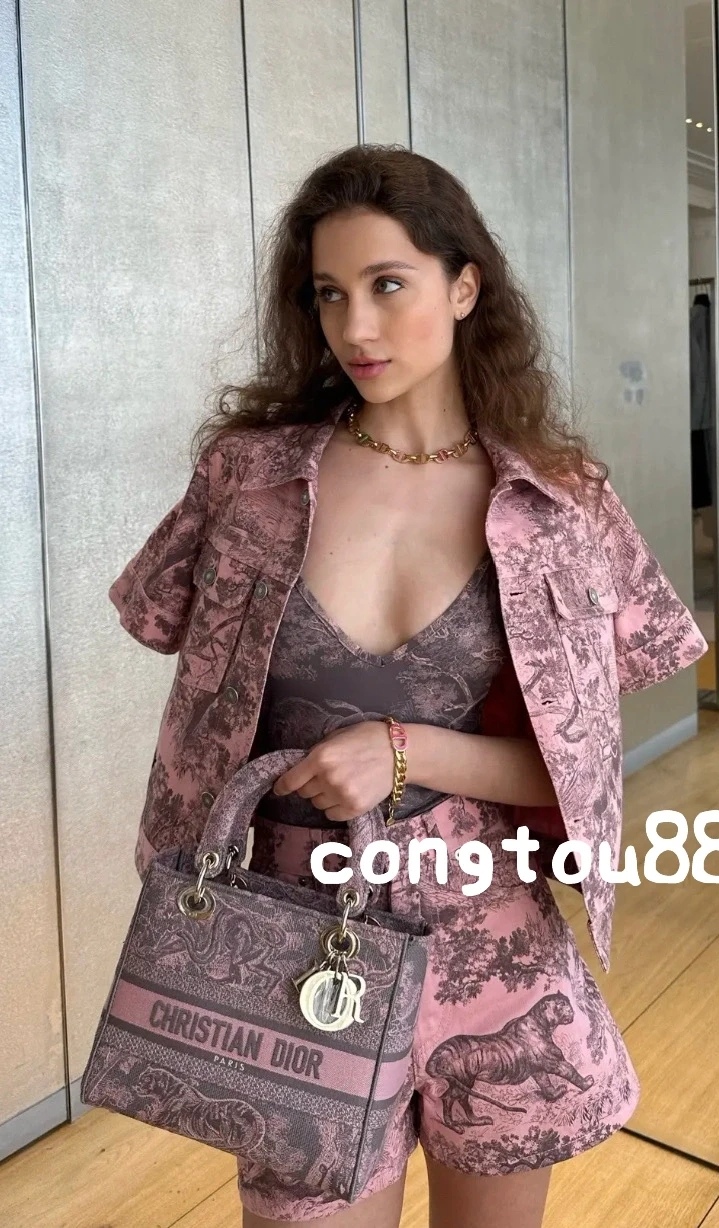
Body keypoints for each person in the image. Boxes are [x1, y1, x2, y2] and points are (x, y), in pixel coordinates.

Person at [109, 145, 707, 1228]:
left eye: (388, 284)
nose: (357, 327)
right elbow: (164, 630)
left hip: (492, 949)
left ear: (463, 286)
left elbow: (577, 773)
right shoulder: (247, 476)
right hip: (291, 944)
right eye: (328, 294)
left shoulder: (558, 502)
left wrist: (405, 752)